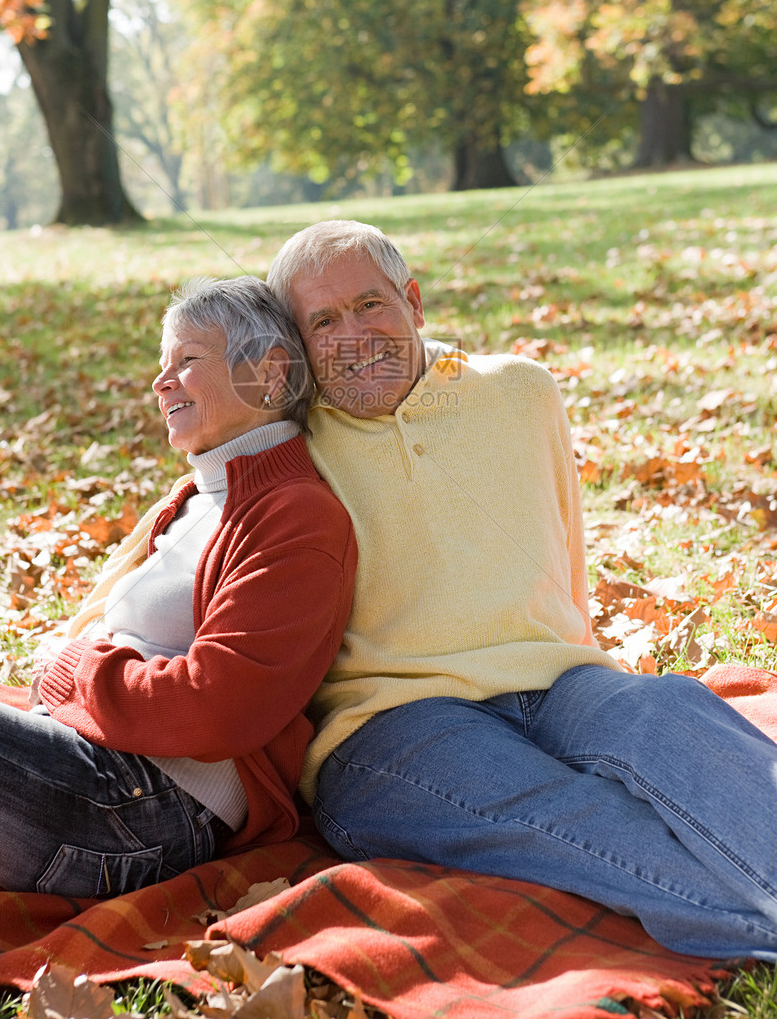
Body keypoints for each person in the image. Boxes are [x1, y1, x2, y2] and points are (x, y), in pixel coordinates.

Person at [267, 219, 777, 961]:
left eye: (371, 304)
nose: (354, 335)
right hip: (393, 725)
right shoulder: (283, 443)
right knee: (576, 817)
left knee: (666, 712)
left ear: (413, 301)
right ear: (298, 343)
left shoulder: (519, 392)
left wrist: (583, 674)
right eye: (323, 320)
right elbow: (168, 543)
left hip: (556, 678)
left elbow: (562, 544)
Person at [0, 276, 356, 898]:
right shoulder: (197, 498)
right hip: (98, 767)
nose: (161, 381)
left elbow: (217, 709)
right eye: (162, 365)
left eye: (187, 361)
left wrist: (71, 669)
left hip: (138, 813)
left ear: (269, 375)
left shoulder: (297, 517)